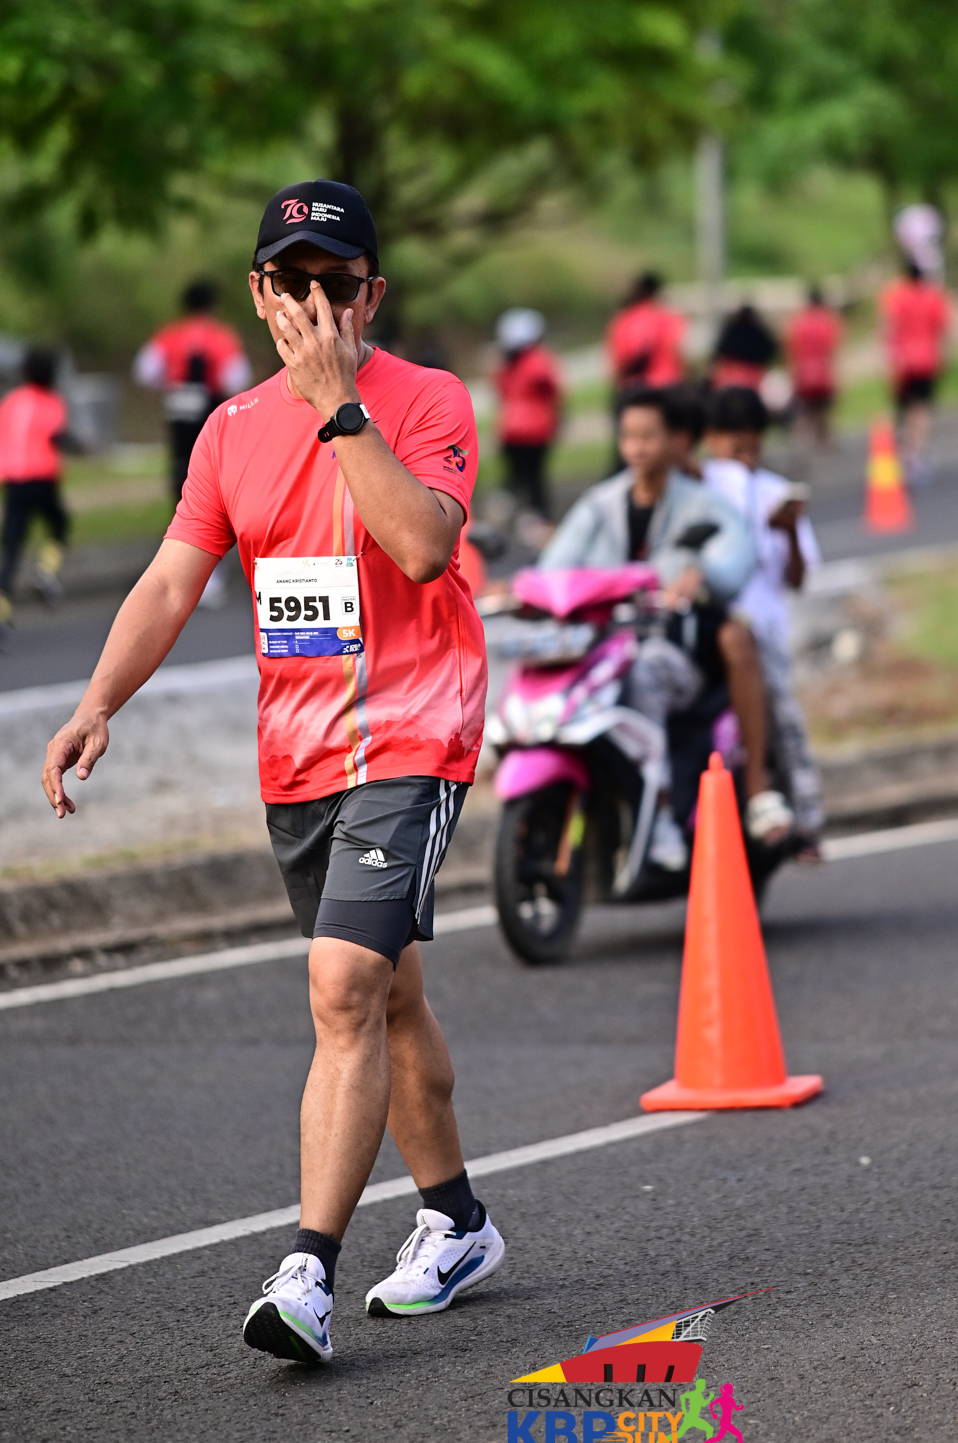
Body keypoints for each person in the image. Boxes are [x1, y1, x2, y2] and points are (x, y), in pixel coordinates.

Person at [43, 180, 502, 1363]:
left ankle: (306, 1272)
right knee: (387, 995)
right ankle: (457, 1224)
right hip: (299, 751)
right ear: (258, 294)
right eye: (291, 282)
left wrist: (341, 407)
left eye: (335, 284)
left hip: (415, 731)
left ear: (371, 296)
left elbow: (423, 546)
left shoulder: (427, 400)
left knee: (342, 986)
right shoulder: (229, 431)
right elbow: (170, 578)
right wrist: (97, 702)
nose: (313, 303)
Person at [538, 385, 794, 864]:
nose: (636, 448)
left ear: (677, 440)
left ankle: (660, 817)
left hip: (672, 650)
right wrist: (526, 591)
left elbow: (735, 558)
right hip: (603, 649)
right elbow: (554, 568)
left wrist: (701, 573)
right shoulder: (599, 505)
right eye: (627, 436)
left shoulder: (702, 504)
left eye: (647, 436)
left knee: (647, 674)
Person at [701, 384, 825, 851]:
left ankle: (806, 823)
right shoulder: (701, 489)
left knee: (785, 722)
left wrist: (788, 532)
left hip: (766, 628)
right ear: (710, 439)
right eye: (735, 449)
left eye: (753, 449)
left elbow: (798, 578)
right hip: (715, 626)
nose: (745, 460)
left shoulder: (773, 492)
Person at [133, 280, 253, 503]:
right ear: (212, 305)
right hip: (209, 403)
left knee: (181, 456)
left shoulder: (170, 334)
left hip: (178, 402)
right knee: (210, 457)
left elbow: (145, 371)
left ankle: (180, 504)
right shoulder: (220, 336)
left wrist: (168, 383)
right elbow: (237, 378)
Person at [0, 346, 73, 624]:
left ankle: (3, 611)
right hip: (42, 478)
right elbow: (56, 435)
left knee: (12, 546)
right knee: (59, 525)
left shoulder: (11, 401)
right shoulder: (51, 402)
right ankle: (45, 569)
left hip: (13, 481)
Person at [878, 253, 950, 484]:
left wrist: (889, 358)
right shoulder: (932, 297)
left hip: (904, 363)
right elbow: (941, 328)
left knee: (907, 410)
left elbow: (888, 327)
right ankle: (918, 451)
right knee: (923, 409)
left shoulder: (896, 297)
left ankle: (909, 450)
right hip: (927, 360)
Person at [491, 308, 562, 520]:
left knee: (517, 477)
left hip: (511, 430)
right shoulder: (538, 361)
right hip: (535, 430)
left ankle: (515, 511)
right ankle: (536, 516)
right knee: (534, 478)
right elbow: (553, 390)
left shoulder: (506, 365)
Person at [605, 271, 686, 395]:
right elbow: (679, 350)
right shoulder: (668, 317)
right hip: (669, 387)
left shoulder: (623, 321)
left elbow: (617, 366)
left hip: (635, 391)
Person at [784, 287, 842, 445]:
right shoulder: (827, 320)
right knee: (823, 409)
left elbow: (791, 349)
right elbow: (832, 349)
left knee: (807, 408)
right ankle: (825, 440)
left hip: (804, 373)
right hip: (822, 373)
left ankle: (800, 439)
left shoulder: (798, 321)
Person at [710, 303, 776, 392]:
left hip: (732, 374)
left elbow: (719, 351)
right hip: (750, 374)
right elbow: (769, 349)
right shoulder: (756, 332)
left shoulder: (731, 331)